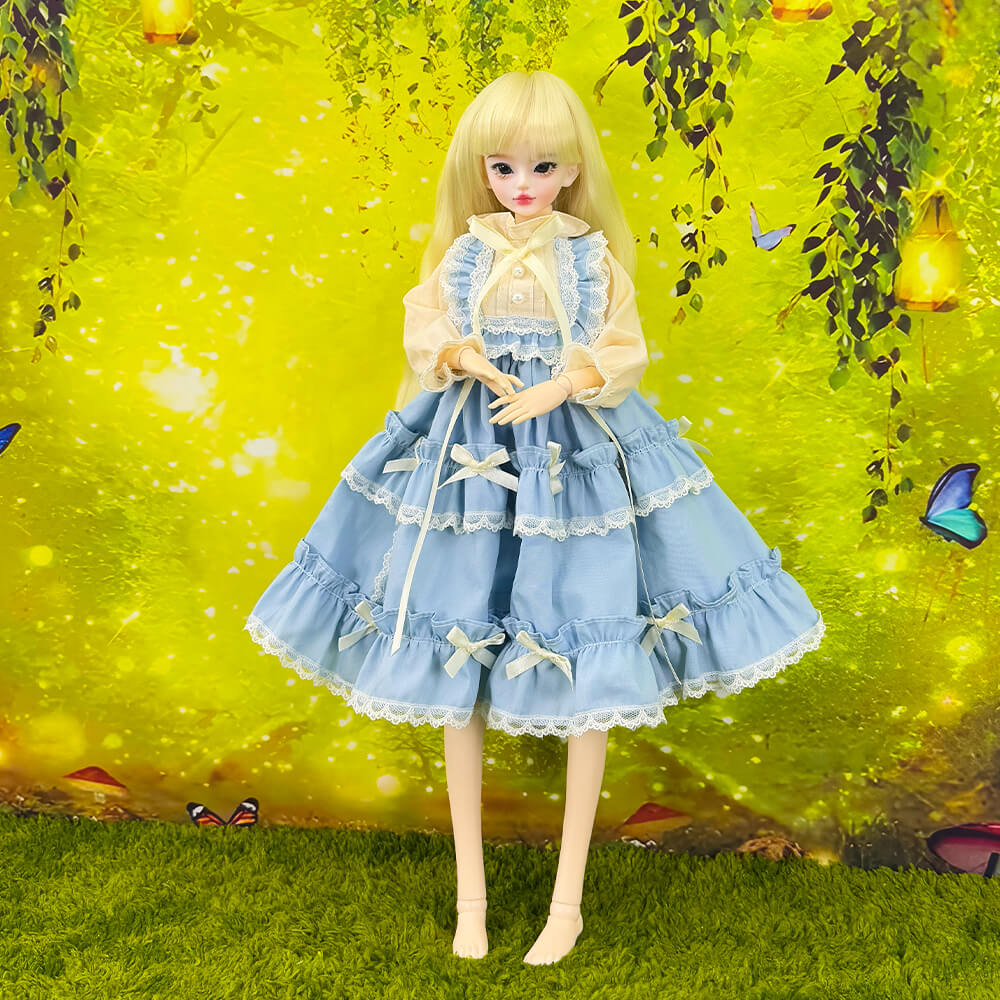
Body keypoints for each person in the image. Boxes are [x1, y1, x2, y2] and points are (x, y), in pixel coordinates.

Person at [243, 70, 826, 965]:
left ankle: (567, 903)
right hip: (467, 458)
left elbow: (624, 350)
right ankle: (470, 900)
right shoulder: (464, 253)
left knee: (589, 638)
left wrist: (562, 382)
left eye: (543, 167)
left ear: (571, 170)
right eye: (505, 167)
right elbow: (424, 331)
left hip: (577, 462)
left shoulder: (591, 258)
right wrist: (462, 358)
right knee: (459, 642)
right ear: (481, 170)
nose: (523, 184)